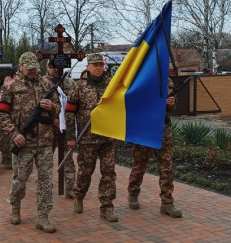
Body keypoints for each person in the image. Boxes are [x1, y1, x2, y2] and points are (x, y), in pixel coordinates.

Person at [0, 51, 60, 233]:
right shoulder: (10, 86)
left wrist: (53, 107)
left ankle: (43, 217)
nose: (33, 71)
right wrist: (14, 134)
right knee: (20, 179)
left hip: (45, 141)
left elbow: (59, 109)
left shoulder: (46, 84)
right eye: (29, 68)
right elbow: (0, 113)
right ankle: (15, 208)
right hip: (23, 142)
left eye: (35, 68)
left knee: (46, 181)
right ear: (21, 67)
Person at [65, 53, 119, 222]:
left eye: (100, 65)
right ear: (87, 67)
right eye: (94, 65)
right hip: (87, 138)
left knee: (109, 173)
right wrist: (71, 137)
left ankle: (107, 206)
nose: (97, 68)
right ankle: (79, 196)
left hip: (107, 138)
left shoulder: (112, 85)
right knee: (85, 172)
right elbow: (69, 113)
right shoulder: (79, 87)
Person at [127, 78, 182, 218]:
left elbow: (173, 106)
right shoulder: (141, 77)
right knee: (140, 165)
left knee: (167, 167)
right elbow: (133, 102)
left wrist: (172, 102)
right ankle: (133, 193)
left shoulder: (168, 81)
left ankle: (167, 203)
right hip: (145, 129)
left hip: (163, 131)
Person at [43, 59, 77, 198]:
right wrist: (53, 120)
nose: (56, 69)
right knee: (45, 157)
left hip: (66, 126)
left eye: (58, 67)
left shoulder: (69, 82)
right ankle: (45, 183)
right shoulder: (42, 82)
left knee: (68, 156)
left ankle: (70, 186)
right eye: (52, 67)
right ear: (47, 67)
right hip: (48, 126)